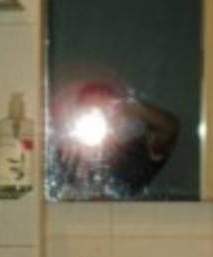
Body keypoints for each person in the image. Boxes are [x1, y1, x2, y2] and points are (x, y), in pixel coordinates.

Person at [50, 79, 179, 199]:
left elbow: (169, 127)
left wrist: (129, 106)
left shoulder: (134, 154)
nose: (97, 118)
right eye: (89, 112)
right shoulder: (65, 158)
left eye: (104, 112)